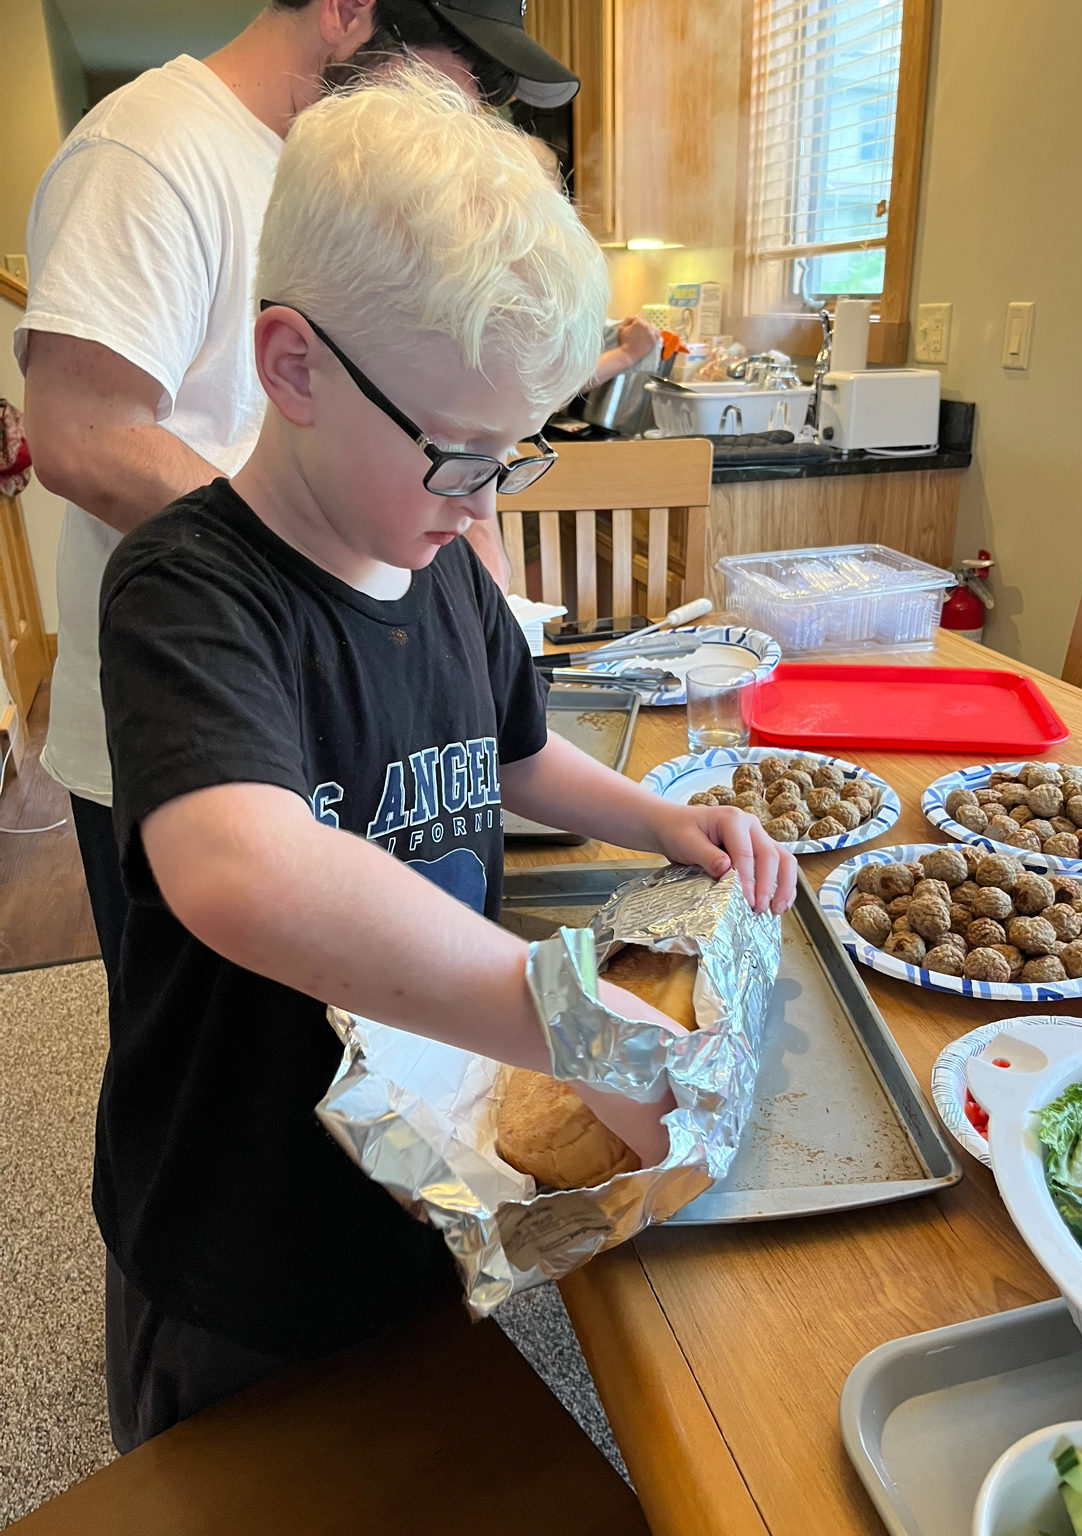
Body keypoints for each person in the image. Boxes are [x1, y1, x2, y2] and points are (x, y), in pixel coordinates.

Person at [94, 70, 796, 1451]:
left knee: (417, 1422)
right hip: (240, 1230)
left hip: (420, 1174)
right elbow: (248, 870)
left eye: (506, 460)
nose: (479, 503)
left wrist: (661, 821)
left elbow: (521, 757)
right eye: (452, 455)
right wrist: (579, 1020)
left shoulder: (445, 572)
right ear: (291, 365)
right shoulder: (189, 593)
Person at [19, 0, 575, 984]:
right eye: (463, 72)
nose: (472, 113)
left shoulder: (357, 181)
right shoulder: (151, 150)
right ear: (349, 11)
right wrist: (335, 573)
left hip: (369, 726)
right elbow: (81, 436)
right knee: (232, 1043)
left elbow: (433, 439)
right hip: (210, 713)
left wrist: (474, 589)